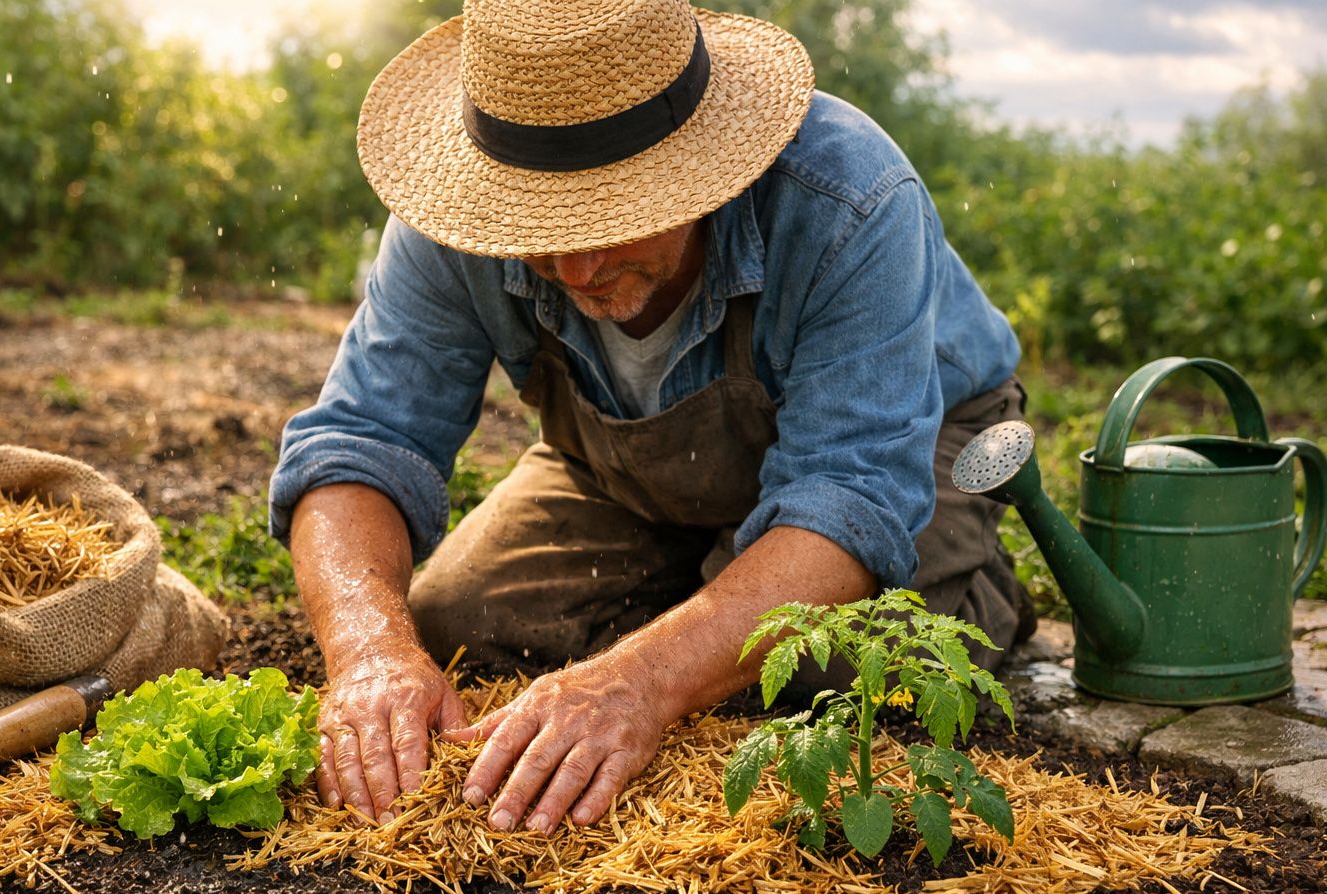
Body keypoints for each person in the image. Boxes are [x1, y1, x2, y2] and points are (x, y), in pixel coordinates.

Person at [269, 0, 1033, 836]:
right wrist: (370, 653)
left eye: (612, 219)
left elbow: (851, 498)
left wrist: (638, 681)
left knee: (832, 667)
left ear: (702, 165)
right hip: (629, 462)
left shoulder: (847, 198)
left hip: (910, 447)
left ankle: (960, 585)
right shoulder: (458, 210)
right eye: (539, 227)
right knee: (458, 618)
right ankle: (714, 590)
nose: (577, 266)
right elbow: (363, 440)